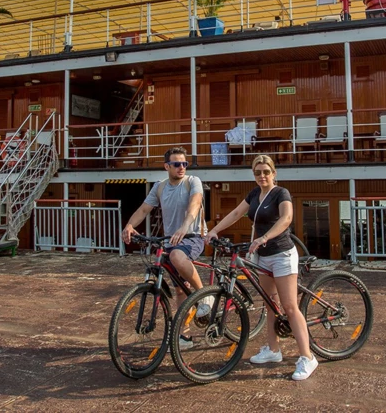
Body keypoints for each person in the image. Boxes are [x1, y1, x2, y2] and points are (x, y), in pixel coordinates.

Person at [204, 154, 317, 381]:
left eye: (266, 172)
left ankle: (307, 357)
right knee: (270, 304)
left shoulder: (280, 193)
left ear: (274, 173)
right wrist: (215, 230)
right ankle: (273, 350)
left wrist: (264, 238)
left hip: (282, 254)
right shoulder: (255, 194)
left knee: (289, 306)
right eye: (258, 172)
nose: (262, 176)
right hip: (262, 256)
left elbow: (285, 219)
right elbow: (237, 213)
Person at [122, 146, 211, 349]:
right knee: (180, 289)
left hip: (192, 235)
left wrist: (185, 226)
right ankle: (184, 336)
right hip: (172, 240)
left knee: (178, 258)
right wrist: (129, 225)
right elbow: (144, 209)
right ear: (166, 166)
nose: (181, 167)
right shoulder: (160, 187)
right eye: (176, 164)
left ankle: (204, 296)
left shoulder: (192, 181)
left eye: (184, 164)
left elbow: (195, 204)